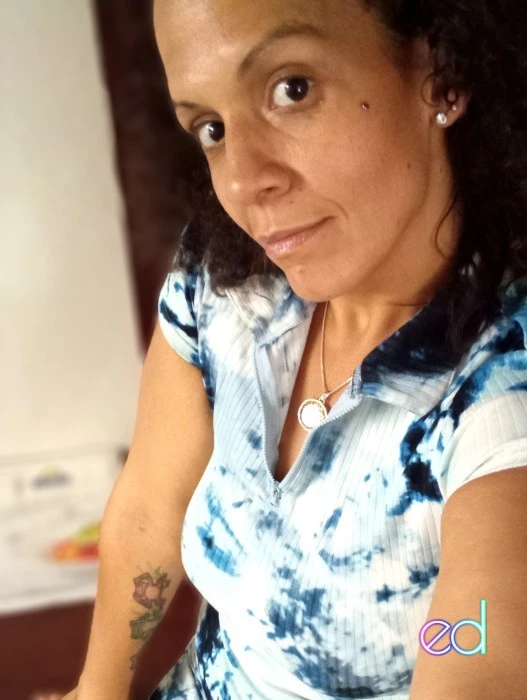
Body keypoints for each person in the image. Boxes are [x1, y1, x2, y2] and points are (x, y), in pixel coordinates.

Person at [41, 0, 527, 698]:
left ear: (441, 75)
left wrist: (455, 638)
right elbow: (151, 505)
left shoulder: (499, 386)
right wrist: (95, 692)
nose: (242, 182)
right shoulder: (228, 282)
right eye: (210, 128)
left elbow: (475, 645)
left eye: (291, 88)